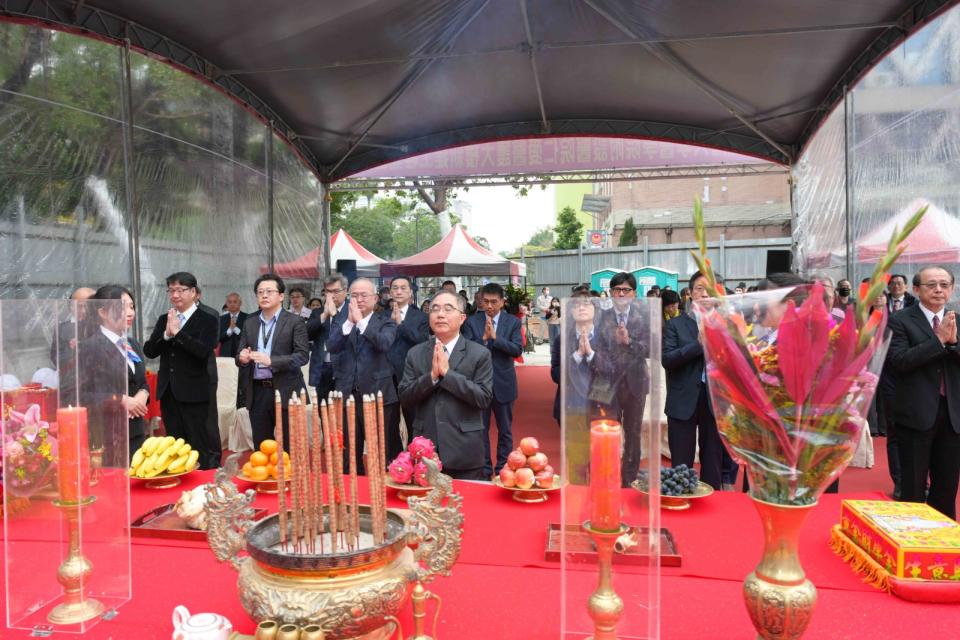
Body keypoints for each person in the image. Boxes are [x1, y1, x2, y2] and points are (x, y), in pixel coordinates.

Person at [886, 265, 960, 519]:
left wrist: (953, 343)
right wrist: (937, 342)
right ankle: (910, 544)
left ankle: (945, 545)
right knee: (913, 490)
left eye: (944, 284)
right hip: (915, 415)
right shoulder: (899, 320)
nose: (938, 290)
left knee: (947, 487)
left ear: (951, 289)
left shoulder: (957, 320)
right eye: (931, 285)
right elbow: (899, 361)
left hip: (952, 416)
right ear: (916, 289)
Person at [399, 292, 493, 479]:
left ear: (462, 318)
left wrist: (448, 375)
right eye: (435, 309)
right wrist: (432, 377)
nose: (440, 314)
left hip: (464, 452)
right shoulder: (415, 354)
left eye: (448, 309)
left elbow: (483, 398)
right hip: (425, 451)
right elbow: (405, 397)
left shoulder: (479, 354)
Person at [143, 272, 220, 469]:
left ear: (193, 292)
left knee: (199, 444)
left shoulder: (208, 318)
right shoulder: (165, 318)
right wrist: (167, 335)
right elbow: (150, 351)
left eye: (180, 290)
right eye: (171, 290)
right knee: (175, 445)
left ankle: (204, 485)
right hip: (169, 391)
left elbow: (204, 351)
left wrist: (179, 333)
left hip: (195, 391)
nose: (175, 295)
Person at [326, 277, 398, 474]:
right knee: (348, 452)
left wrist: (361, 323)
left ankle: (377, 496)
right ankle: (353, 495)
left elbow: (383, 343)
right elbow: (331, 346)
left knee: (378, 452)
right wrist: (350, 323)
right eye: (354, 295)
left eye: (364, 295)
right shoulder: (341, 322)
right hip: (346, 396)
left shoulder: (387, 323)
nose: (359, 299)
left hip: (377, 397)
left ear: (375, 299)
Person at [662, 272, 724, 490]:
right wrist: (697, 345)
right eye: (699, 288)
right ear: (689, 293)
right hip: (683, 400)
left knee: (713, 460)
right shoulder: (675, 325)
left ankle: (712, 501)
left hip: (716, 401)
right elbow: (667, 360)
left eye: (709, 288)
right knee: (680, 460)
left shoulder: (728, 324)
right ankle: (680, 498)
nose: (704, 293)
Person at [236, 273, 309, 449]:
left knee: (289, 446)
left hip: (286, 390)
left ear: (281, 296)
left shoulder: (295, 321)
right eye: (260, 292)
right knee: (262, 447)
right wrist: (243, 358)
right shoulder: (250, 321)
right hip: (258, 391)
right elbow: (239, 354)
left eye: (269, 291)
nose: (264, 295)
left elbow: (302, 355)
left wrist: (272, 361)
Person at [462, 283, 523, 477]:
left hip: (504, 383)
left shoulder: (512, 322)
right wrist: (485, 340)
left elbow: (517, 349)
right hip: (479, 384)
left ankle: (504, 468)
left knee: (505, 430)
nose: (489, 306)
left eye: (493, 302)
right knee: (481, 430)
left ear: (502, 302)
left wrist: (496, 339)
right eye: (485, 302)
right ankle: (485, 468)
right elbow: (468, 350)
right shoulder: (472, 322)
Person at [596, 272, 649, 487]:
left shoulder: (645, 316)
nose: (621, 293)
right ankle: (607, 478)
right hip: (607, 383)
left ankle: (629, 480)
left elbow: (651, 347)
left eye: (626, 290)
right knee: (607, 432)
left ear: (634, 293)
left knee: (633, 433)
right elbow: (597, 347)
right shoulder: (601, 316)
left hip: (635, 382)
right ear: (610, 292)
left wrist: (629, 342)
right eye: (617, 289)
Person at [85, 285, 150, 462]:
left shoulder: (132, 343)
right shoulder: (90, 346)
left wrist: (143, 393)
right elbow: (80, 394)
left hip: (135, 430)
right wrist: (121, 400)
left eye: (131, 306)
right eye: (122, 307)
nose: (130, 313)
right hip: (107, 434)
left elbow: (141, 381)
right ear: (103, 313)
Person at [384, 275, 430, 461]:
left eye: (403, 288)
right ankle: (395, 461)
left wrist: (400, 325)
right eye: (395, 288)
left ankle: (416, 459)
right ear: (390, 292)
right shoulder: (380, 316)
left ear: (411, 292)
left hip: (411, 377)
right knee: (390, 423)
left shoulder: (421, 317)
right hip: (387, 377)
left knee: (413, 421)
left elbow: (421, 341)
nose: (399, 291)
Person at [307, 274, 348, 405]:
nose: (332, 296)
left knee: (344, 413)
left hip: (344, 368)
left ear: (345, 291)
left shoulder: (352, 310)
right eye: (328, 292)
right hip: (322, 368)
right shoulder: (316, 312)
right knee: (322, 411)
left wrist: (335, 314)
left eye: (336, 291)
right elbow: (306, 334)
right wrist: (325, 315)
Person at [50, 286, 96, 367]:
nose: (84, 310)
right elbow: (55, 358)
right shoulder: (62, 329)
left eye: (88, 306)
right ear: (71, 307)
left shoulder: (103, 325)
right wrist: (72, 351)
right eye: (79, 306)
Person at [218, 292, 248, 358]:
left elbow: (249, 338)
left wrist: (236, 329)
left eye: (235, 302)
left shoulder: (248, 318)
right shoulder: (221, 319)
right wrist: (229, 331)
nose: (232, 304)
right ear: (226, 304)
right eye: (229, 302)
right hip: (225, 355)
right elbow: (218, 338)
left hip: (242, 354)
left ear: (240, 303)